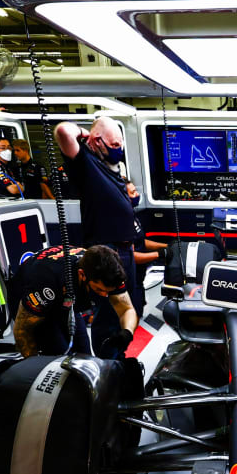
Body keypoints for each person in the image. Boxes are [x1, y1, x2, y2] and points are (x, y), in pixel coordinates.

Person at [53, 114, 141, 348]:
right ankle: (107, 358)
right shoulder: (86, 163)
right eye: (114, 144)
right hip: (106, 249)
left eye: (120, 144)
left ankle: (119, 353)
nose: (118, 149)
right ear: (97, 140)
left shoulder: (111, 168)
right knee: (110, 311)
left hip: (123, 247)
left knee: (128, 305)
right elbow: (63, 131)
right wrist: (85, 134)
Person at [10, 244, 138, 358]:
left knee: (85, 358)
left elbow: (127, 309)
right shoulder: (49, 280)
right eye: (99, 290)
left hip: (66, 300)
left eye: (108, 291)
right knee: (59, 359)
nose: (105, 296)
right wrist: (34, 366)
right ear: (82, 275)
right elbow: (22, 330)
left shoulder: (110, 273)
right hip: (36, 303)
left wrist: (127, 332)